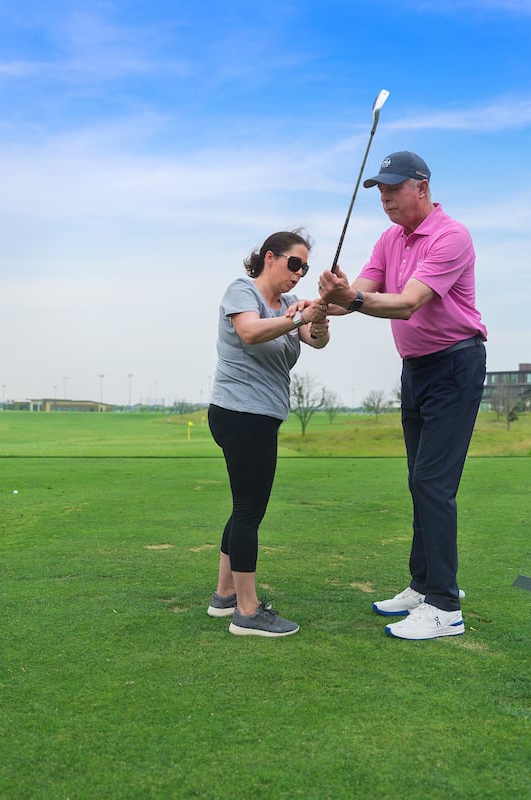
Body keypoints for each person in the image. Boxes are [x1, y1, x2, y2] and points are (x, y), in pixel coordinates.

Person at [317, 151, 486, 640]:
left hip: (456, 364)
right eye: (379, 190)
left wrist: (350, 298)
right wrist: (321, 303)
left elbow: (408, 303)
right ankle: (422, 584)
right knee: (418, 480)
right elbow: (361, 296)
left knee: (434, 483)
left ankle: (445, 608)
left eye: (393, 187)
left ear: (422, 187)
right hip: (416, 369)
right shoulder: (390, 239)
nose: (385, 197)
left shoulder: (451, 235)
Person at [206, 229, 329, 637]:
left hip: (261, 416)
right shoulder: (242, 291)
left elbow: (315, 340)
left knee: (245, 506)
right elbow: (250, 332)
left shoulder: (292, 305)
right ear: (270, 257)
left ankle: (225, 596)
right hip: (240, 413)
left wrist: (320, 317)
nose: (299, 274)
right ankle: (248, 611)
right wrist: (297, 318)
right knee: (249, 512)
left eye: (305, 268)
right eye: (294, 264)